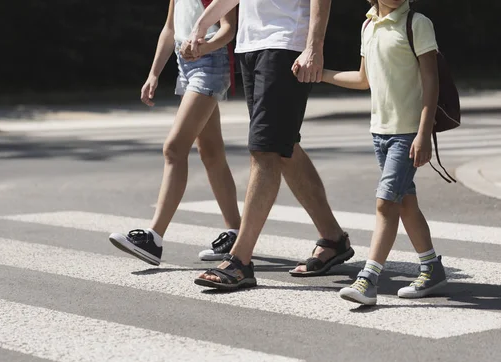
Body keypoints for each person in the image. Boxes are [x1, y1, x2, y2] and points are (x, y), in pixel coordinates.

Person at [184, 0, 355, 291]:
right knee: (283, 147)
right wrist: (201, 25)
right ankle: (333, 239)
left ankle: (240, 260)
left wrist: (314, 46)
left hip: (286, 44)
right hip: (251, 45)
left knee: (266, 151)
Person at [321, 0, 447, 305]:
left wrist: (423, 134)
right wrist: (320, 74)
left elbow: (431, 80)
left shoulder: (416, 24)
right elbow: (363, 79)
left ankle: (368, 279)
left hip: (406, 134)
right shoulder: (369, 25)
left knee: (385, 203)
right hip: (380, 133)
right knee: (405, 203)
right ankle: (431, 268)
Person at [109, 0, 242, 266]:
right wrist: (153, 74)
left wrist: (203, 46)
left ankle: (154, 239)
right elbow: (169, 29)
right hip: (187, 65)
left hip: (210, 63)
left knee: (174, 148)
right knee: (211, 152)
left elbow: (229, 29)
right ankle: (237, 233)